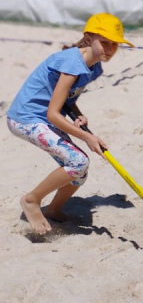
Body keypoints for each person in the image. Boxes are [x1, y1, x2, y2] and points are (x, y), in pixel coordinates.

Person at [6, 13, 134, 235]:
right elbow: (54, 114)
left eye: (115, 44)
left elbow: (66, 101)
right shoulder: (72, 62)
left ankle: (54, 210)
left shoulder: (94, 67)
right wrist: (87, 137)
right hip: (25, 118)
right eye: (104, 42)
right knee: (77, 161)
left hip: (43, 117)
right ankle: (31, 200)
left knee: (79, 173)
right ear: (88, 38)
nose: (110, 48)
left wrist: (79, 115)